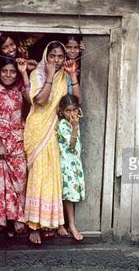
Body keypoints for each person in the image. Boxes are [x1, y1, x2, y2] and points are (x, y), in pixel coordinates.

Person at [23, 41, 81, 244]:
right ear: (46, 57)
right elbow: (41, 101)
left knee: (52, 175)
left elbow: (77, 100)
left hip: (54, 131)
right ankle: (33, 225)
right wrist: (49, 75)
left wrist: (72, 75)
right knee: (38, 174)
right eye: (52, 56)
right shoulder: (37, 74)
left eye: (60, 56)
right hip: (37, 130)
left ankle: (48, 222)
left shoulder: (65, 77)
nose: (56, 60)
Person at [0, 57, 30, 238]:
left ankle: (14, 222)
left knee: (19, 183)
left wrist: (24, 71)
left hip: (17, 142)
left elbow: (33, 99)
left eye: (12, 71)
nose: (8, 75)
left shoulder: (19, 90)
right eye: (5, 71)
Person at [57, 94, 85, 241]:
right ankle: (69, 225)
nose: (72, 114)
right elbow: (71, 145)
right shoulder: (63, 124)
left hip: (74, 163)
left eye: (74, 110)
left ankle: (64, 224)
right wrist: (74, 128)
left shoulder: (74, 122)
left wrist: (75, 125)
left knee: (69, 195)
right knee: (66, 196)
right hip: (66, 164)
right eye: (68, 111)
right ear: (62, 112)